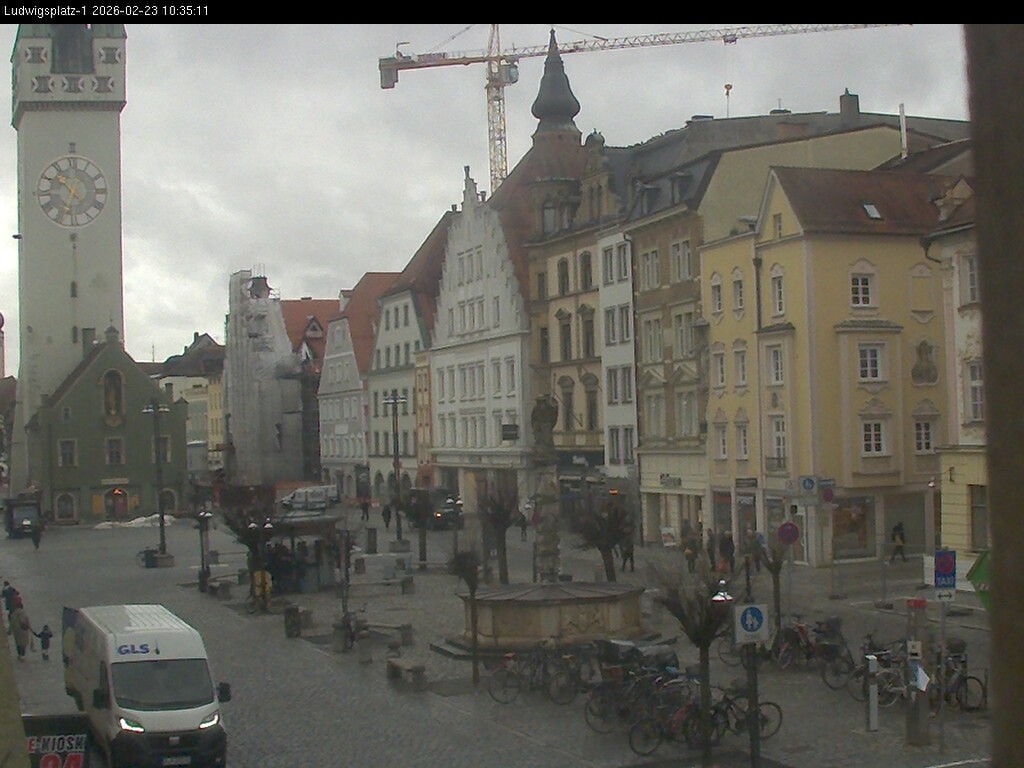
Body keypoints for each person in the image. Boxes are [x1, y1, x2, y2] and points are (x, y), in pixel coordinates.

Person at [8, 597, 32, 662]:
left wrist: (9, 631)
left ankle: (20, 655)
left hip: (17, 631)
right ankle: (22, 655)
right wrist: (30, 628)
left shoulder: (13, 613)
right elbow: (26, 621)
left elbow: (12, 623)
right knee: (23, 644)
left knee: (18, 643)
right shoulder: (23, 612)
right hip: (23, 630)